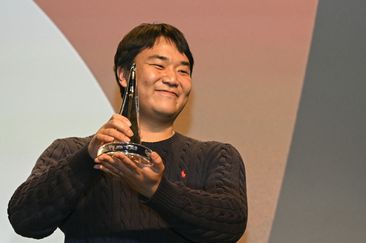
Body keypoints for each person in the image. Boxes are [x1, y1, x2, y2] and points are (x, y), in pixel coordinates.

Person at [8, 23, 247, 243]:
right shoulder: (71, 151)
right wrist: (88, 158)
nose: (173, 79)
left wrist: (157, 191)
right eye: (159, 65)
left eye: (183, 71)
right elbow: (24, 219)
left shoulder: (216, 156)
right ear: (124, 75)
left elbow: (230, 225)